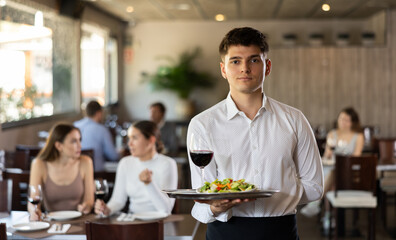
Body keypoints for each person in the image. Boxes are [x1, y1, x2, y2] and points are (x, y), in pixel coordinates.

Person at [187, 27, 323, 239]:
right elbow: (201, 200)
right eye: (235, 61)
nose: (245, 69)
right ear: (223, 69)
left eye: (253, 60)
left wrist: (275, 195)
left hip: (281, 231)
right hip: (225, 232)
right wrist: (215, 207)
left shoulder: (295, 119)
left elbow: (314, 186)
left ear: (267, 67)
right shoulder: (202, 124)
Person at [94, 121, 178, 216]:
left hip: (160, 223)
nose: (129, 144)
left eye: (134, 138)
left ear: (151, 140)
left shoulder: (167, 164)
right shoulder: (125, 163)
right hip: (133, 221)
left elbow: (166, 209)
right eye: (129, 138)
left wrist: (149, 183)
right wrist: (107, 209)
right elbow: (118, 200)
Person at [301, 107, 364, 229]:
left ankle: (321, 208)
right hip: (332, 171)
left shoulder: (358, 136)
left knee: (332, 176)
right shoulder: (332, 134)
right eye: (341, 118)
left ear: (353, 122)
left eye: (346, 120)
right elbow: (326, 156)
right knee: (332, 181)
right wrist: (329, 152)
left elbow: (356, 157)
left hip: (349, 172)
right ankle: (330, 216)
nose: (342, 122)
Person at [28, 123, 94, 220]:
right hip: (51, 224)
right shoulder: (39, 164)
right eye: (74, 141)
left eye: (80, 140)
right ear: (59, 146)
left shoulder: (86, 162)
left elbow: (89, 200)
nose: (80, 145)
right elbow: (33, 200)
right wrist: (34, 211)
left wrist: (86, 206)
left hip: (79, 222)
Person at [74, 100, 120, 171]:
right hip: (96, 172)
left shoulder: (75, 125)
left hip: (76, 169)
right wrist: (120, 152)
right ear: (99, 113)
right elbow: (113, 156)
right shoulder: (102, 129)